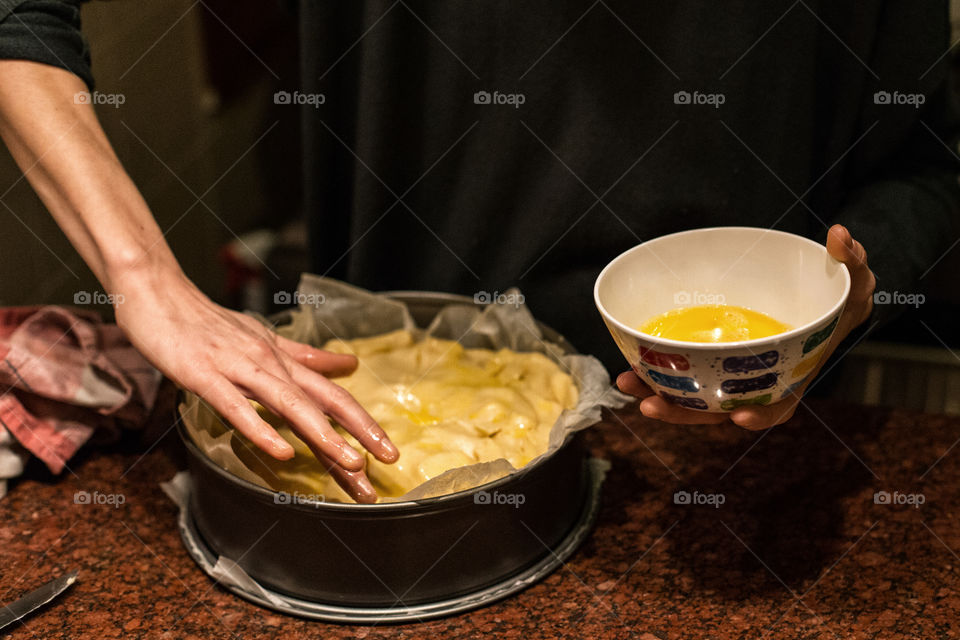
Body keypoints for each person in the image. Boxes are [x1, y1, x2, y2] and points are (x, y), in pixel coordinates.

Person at [0, 1, 956, 500]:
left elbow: (932, 158)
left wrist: (849, 288)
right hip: (384, 458)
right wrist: (141, 276)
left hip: (741, 455)